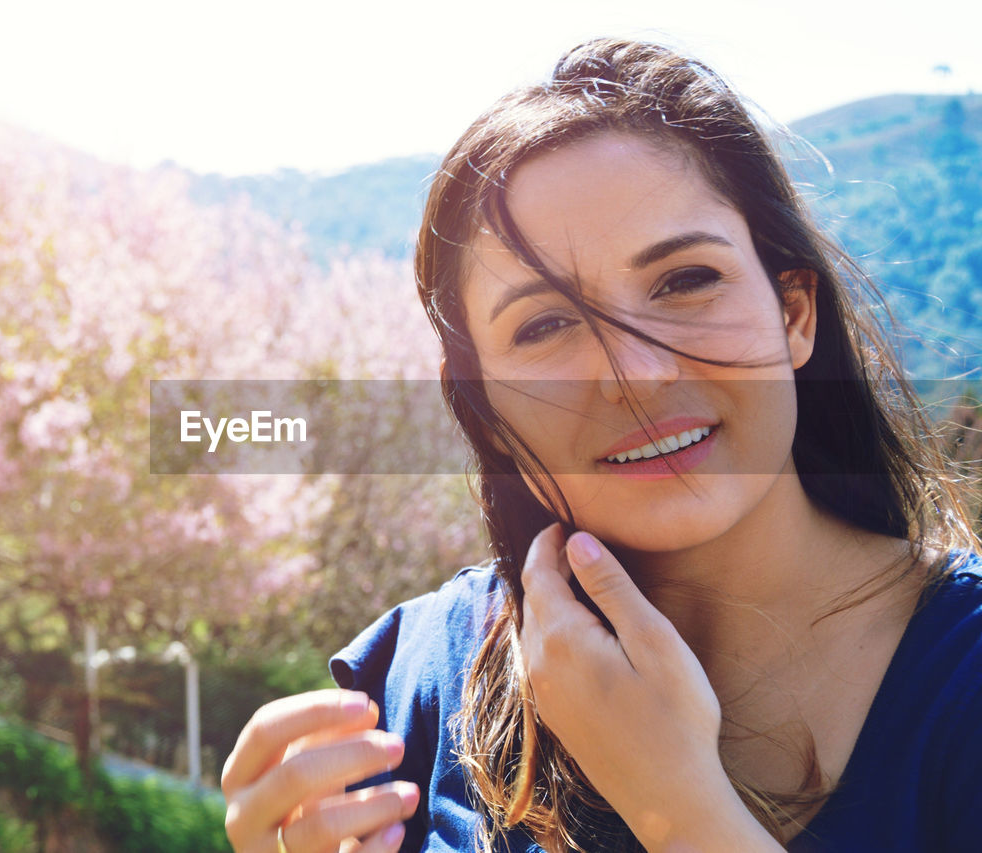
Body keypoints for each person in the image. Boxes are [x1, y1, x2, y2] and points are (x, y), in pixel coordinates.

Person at [221, 38, 982, 853]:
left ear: (795, 312)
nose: (637, 374)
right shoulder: (417, 690)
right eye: (545, 326)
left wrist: (678, 807)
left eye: (685, 280)